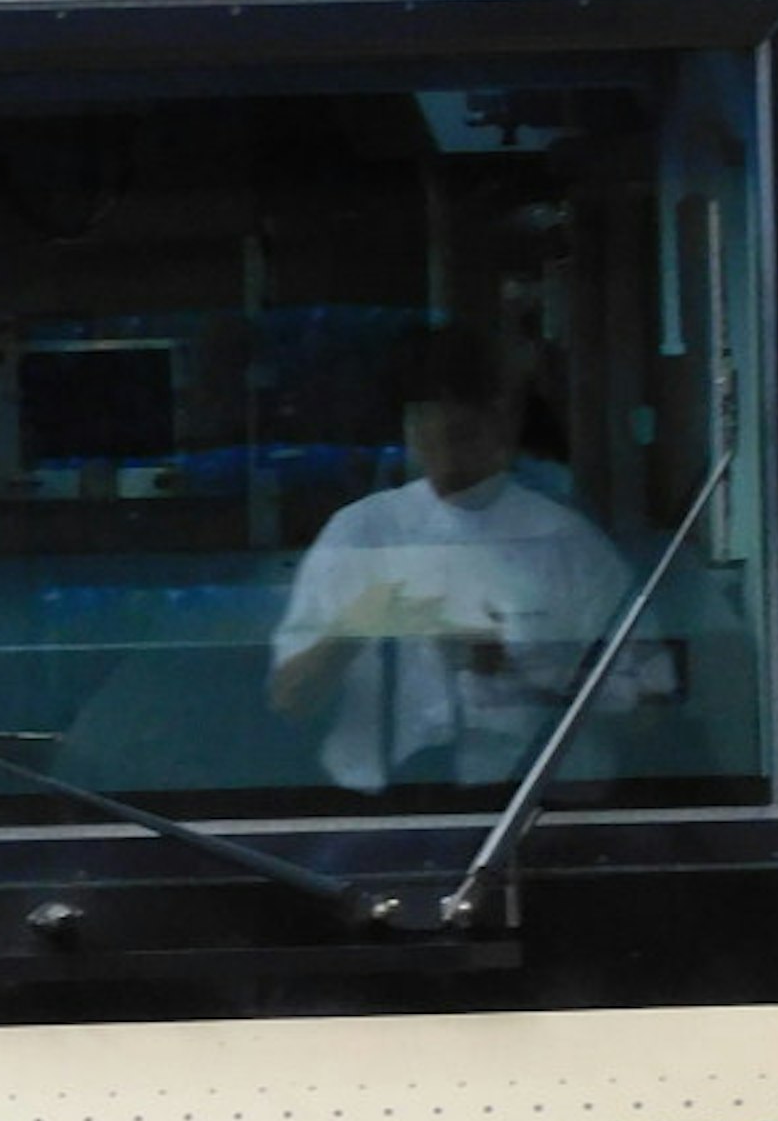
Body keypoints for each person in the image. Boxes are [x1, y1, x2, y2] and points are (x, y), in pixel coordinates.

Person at [267, 322, 644, 794]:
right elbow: (289, 700)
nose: (442, 455)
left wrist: (516, 669)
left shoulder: (567, 543)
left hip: (532, 804)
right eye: (424, 433)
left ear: (501, 425)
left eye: (460, 434)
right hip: (383, 812)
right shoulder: (360, 534)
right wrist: (356, 628)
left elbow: (642, 710)